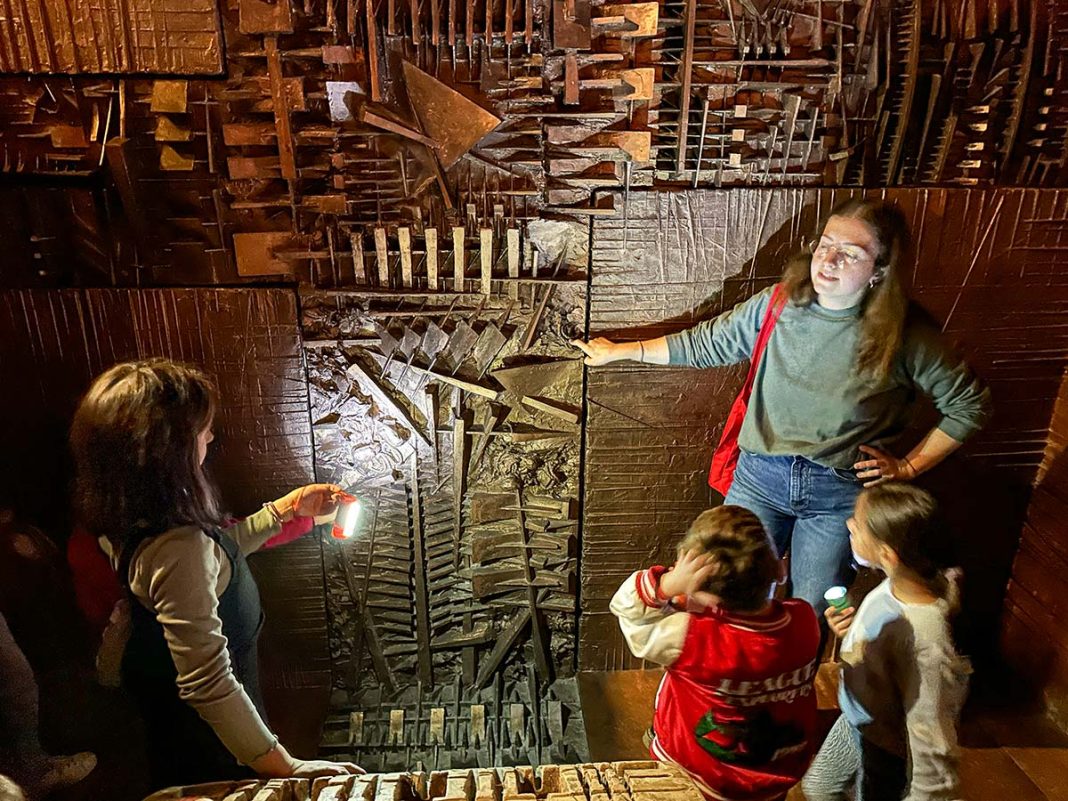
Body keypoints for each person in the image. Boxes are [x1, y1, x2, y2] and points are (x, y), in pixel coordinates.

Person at [574, 198, 991, 617]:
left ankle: (795, 681)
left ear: (880, 269)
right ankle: (731, 681)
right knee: (727, 591)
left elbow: (969, 405)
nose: (829, 259)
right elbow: (707, 343)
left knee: (815, 607)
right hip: (760, 476)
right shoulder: (780, 303)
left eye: (851, 253)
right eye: (825, 244)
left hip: (837, 493)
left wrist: (908, 467)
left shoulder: (906, 335)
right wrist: (622, 351)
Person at [69, 358, 363, 789]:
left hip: (203, 724)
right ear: (167, 449)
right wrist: (284, 766)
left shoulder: (136, 514)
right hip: (210, 741)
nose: (210, 435)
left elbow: (218, 553)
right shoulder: (175, 546)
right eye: (200, 428)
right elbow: (208, 680)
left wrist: (288, 510)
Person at [610, 505, 820, 801]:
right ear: (781, 570)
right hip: (772, 771)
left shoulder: (691, 639)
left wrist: (667, 585)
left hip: (701, 774)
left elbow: (627, 610)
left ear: (705, 595)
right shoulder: (804, 620)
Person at [801, 482, 969, 801]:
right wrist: (850, 632)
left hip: (887, 745)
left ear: (887, 553)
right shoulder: (898, 583)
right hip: (858, 718)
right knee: (819, 787)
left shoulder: (925, 637)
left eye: (859, 524)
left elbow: (931, 729)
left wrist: (928, 793)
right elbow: (883, 647)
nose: (849, 524)